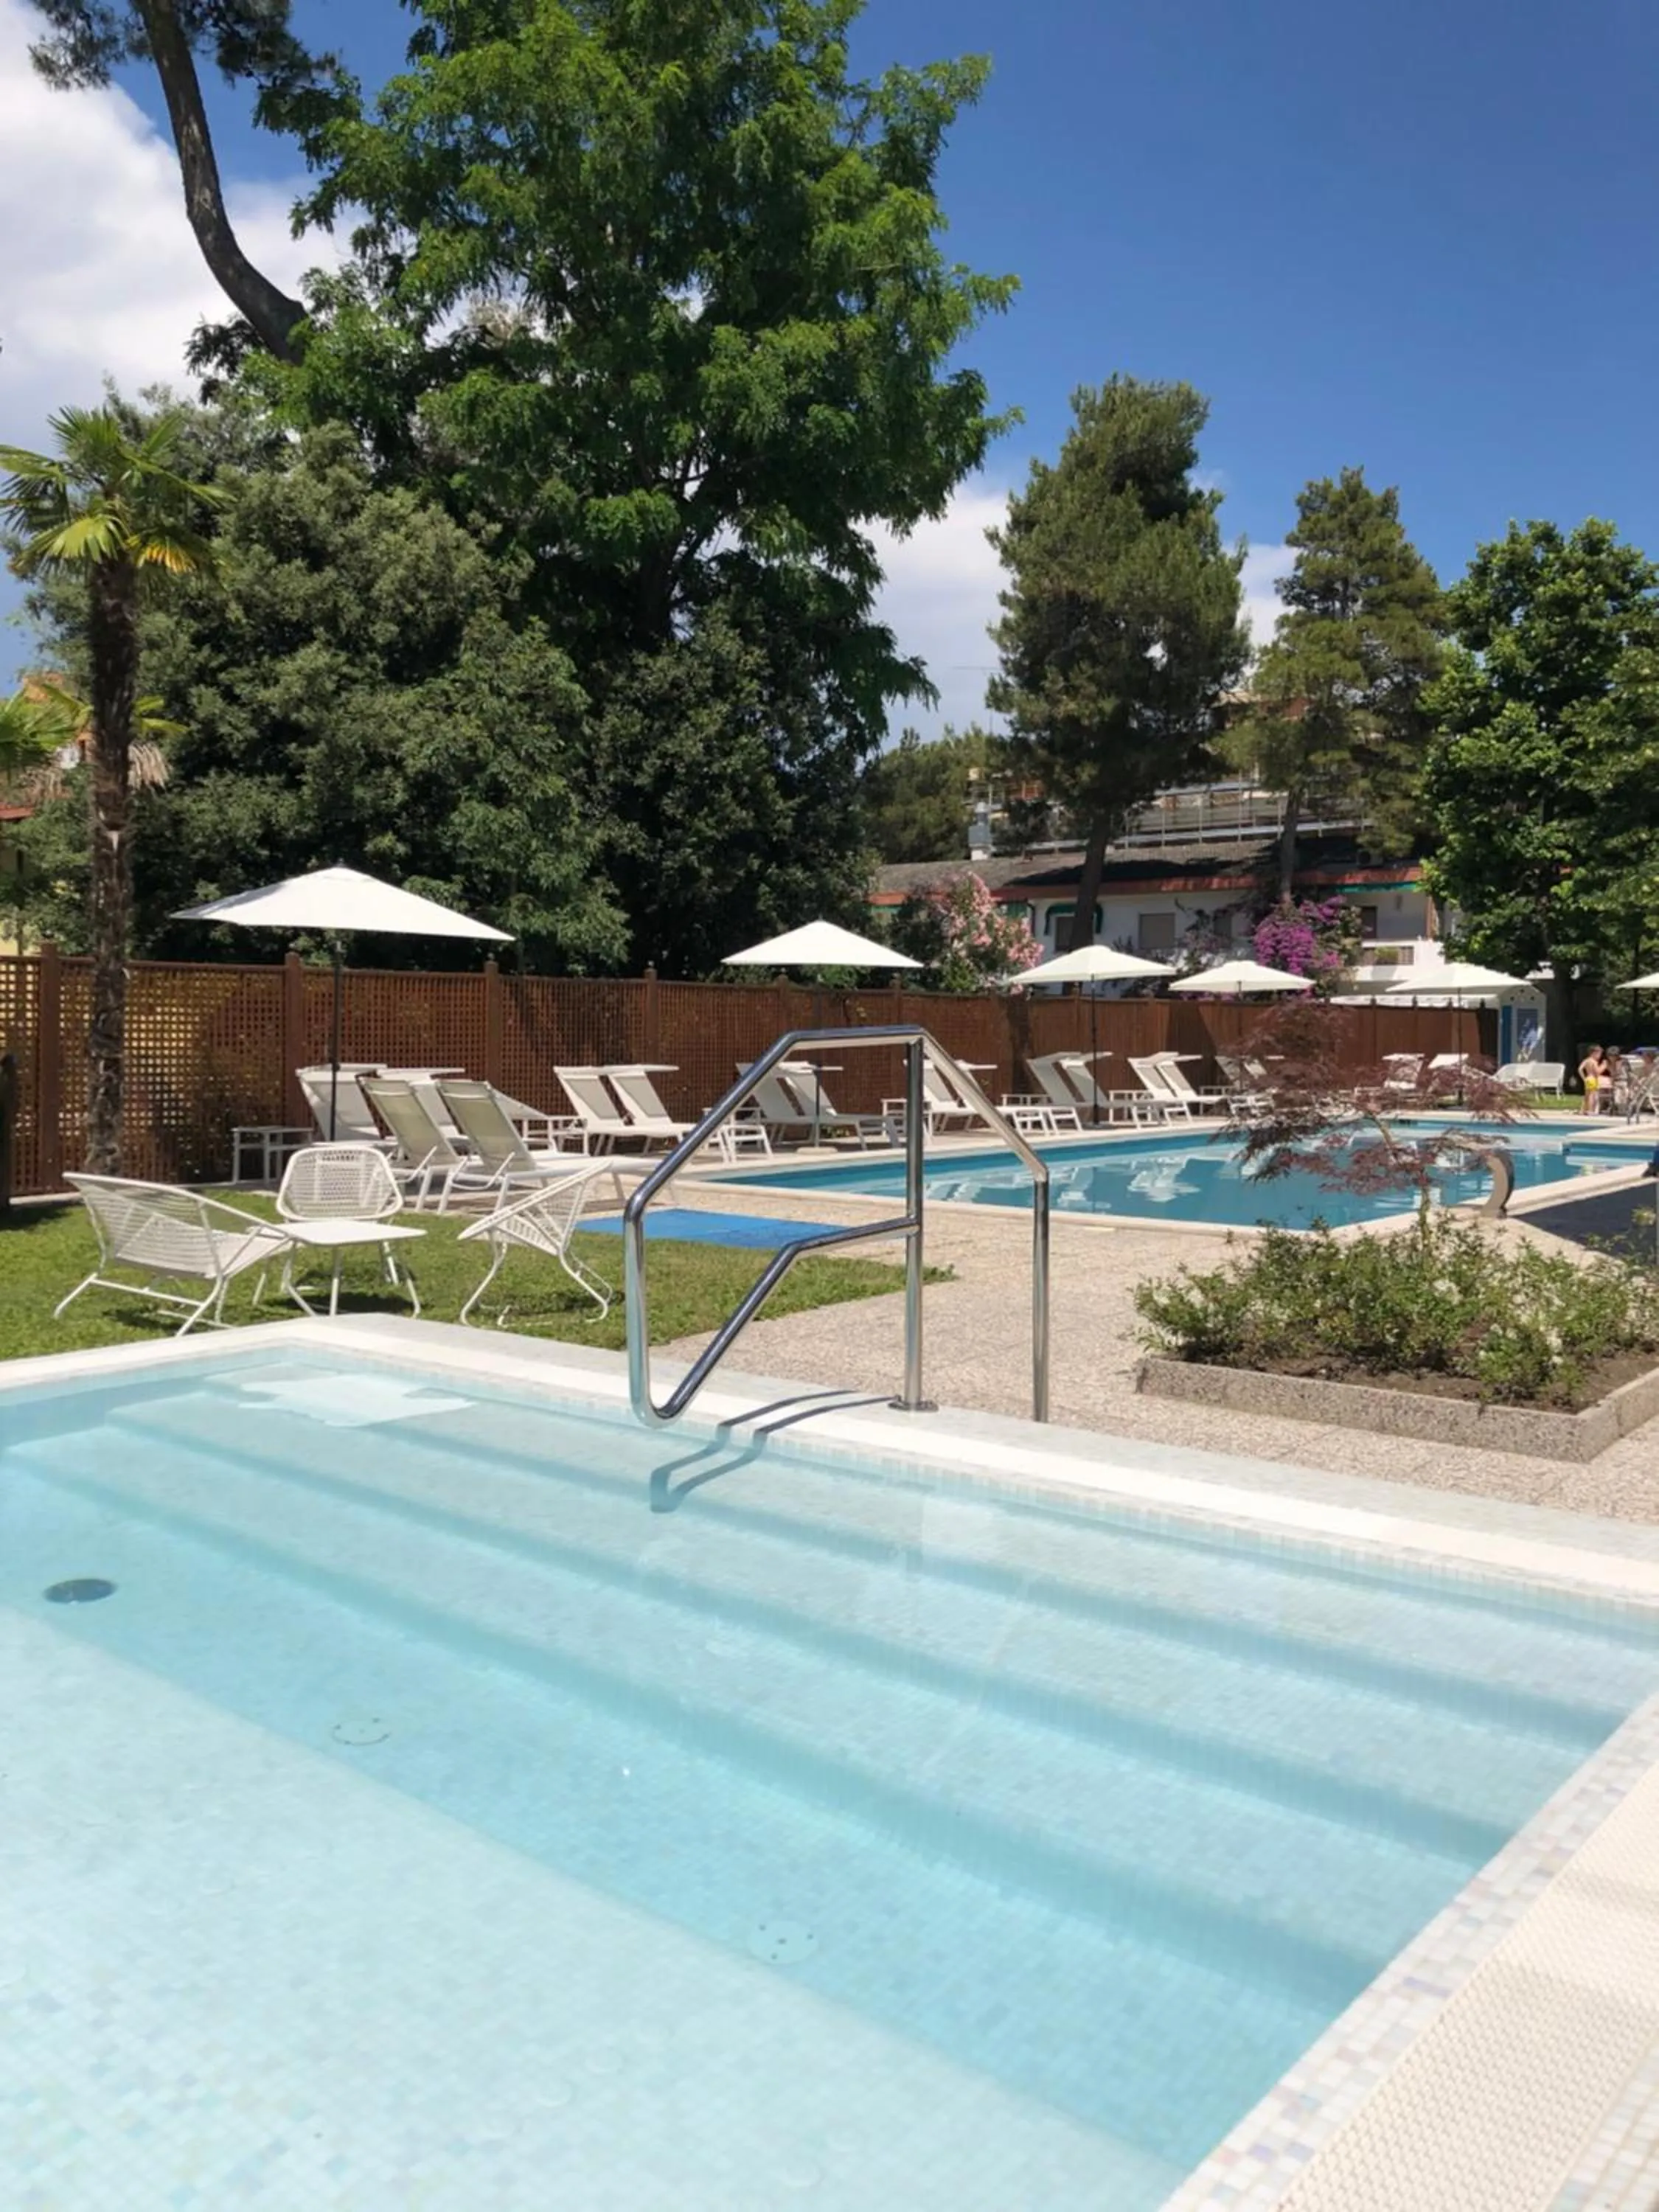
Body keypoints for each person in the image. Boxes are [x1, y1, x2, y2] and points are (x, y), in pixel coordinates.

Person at [1579, 1043, 1608, 1114]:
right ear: (1594, 1053)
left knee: (1587, 1096)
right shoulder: (1594, 1062)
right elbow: (1598, 1072)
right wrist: (1604, 1066)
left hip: (1588, 1078)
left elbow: (1580, 1069)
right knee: (1592, 1095)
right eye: (1599, 1054)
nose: (1600, 1057)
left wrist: (1584, 1078)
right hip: (1593, 1079)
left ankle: (1583, 1110)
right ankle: (1590, 1110)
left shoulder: (1587, 1060)